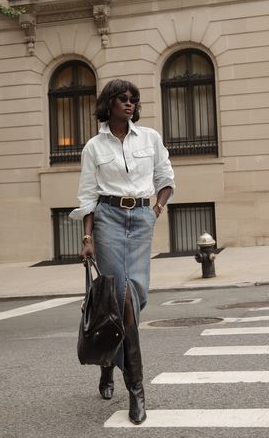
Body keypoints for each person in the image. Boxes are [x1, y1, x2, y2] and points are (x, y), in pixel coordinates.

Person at [70, 79, 175, 425]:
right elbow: (87, 196)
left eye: (133, 100)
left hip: (142, 219)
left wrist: (156, 210)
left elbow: (166, 177)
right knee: (123, 297)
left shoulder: (150, 138)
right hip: (108, 220)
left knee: (135, 297)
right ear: (109, 103)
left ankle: (107, 362)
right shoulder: (93, 147)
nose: (129, 104)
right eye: (123, 99)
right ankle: (137, 389)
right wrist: (88, 238)